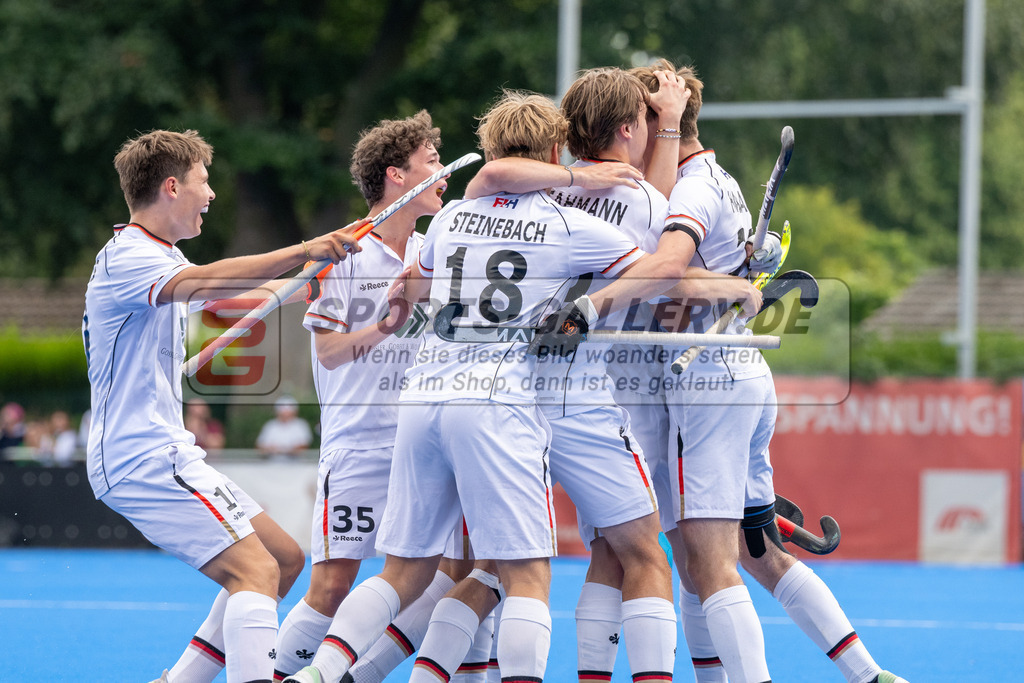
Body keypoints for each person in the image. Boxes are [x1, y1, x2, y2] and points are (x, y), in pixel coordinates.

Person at [284, 89, 689, 683]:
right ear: (554, 149)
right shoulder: (567, 224)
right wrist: (733, 289)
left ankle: (320, 673)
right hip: (499, 405)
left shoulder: (447, 218)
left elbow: (406, 292)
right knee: (527, 573)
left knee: (406, 571)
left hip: (422, 401)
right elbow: (664, 272)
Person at [630, 59, 907, 683]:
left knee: (703, 559)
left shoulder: (689, 190)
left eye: (633, 123)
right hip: (741, 375)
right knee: (757, 553)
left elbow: (664, 267)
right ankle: (869, 674)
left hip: (703, 382)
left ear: (661, 124)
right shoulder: (715, 178)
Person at [83, 128, 362, 683]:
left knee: (284, 561)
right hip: (139, 457)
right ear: (171, 186)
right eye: (203, 182)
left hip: (163, 450)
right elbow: (207, 282)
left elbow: (203, 286)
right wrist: (304, 249)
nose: (210, 195)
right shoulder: (131, 255)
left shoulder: (159, 256)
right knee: (255, 570)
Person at [273, 110, 485, 682]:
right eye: (431, 162)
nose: (443, 172)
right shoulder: (345, 253)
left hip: (423, 443)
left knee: (453, 571)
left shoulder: (431, 253)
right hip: (359, 446)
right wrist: (387, 326)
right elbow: (330, 353)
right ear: (396, 175)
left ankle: (351, 676)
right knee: (334, 583)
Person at [257, 395, 314, 461]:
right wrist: (270, 449)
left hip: (297, 466)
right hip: (272, 465)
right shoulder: (270, 426)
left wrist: (286, 450)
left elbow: (304, 446)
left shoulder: (301, 425)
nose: (285, 414)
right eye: (283, 412)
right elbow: (260, 446)